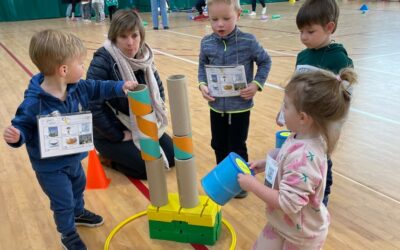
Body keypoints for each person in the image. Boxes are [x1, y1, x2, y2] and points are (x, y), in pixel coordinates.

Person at [2, 29, 137, 250]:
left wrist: (120, 87)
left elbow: (98, 88)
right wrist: (17, 136)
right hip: (50, 168)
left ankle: (79, 212)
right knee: (62, 201)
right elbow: (22, 126)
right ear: (64, 70)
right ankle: (67, 234)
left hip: (73, 157)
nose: (83, 68)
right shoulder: (34, 103)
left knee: (78, 186)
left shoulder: (78, 87)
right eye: (80, 64)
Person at [238, 68, 358, 249]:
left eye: (285, 106)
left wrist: (252, 185)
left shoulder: (306, 157)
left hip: (302, 236)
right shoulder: (301, 135)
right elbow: (289, 158)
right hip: (284, 224)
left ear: (303, 117)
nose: (282, 110)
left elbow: (287, 202)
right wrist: (266, 164)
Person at [276, 0, 353, 206]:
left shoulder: (338, 58)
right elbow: (295, 88)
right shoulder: (303, 55)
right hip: (301, 122)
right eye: (301, 31)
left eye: (310, 32)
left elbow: (345, 95)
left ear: (330, 28)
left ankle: (321, 197)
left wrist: (334, 123)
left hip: (321, 125)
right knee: (299, 154)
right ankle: (297, 187)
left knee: (320, 160)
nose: (303, 37)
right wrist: (283, 110)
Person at [86, 10, 175, 179]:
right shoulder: (102, 61)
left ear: (141, 35)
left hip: (142, 126)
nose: (130, 43)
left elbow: (159, 91)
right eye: (123, 37)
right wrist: (117, 134)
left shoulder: (145, 58)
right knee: (148, 169)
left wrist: (151, 122)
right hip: (111, 134)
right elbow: (92, 106)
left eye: (134, 36)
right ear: (114, 38)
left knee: (171, 157)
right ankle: (108, 158)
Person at [198, 0, 272, 198]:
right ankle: (223, 181)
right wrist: (202, 85)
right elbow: (202, 68)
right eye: (214, 19)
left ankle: (241, 183)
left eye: (226, 18)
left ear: (238, 14)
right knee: (218, 143)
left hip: (240, 107)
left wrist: (256, 84)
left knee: (237, 145)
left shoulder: (249, 41)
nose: (219, 24)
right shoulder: (205, 43)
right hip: (216, 106)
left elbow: (265, 62)